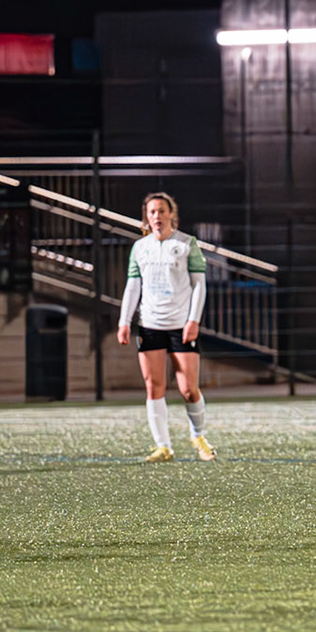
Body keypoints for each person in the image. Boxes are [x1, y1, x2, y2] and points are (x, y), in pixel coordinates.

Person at [116, 192, 214, 462]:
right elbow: (133, 286)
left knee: (188, 388)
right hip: (149, 325)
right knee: (153, 387)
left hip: (180, 326)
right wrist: (125, 321)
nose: (157, 216)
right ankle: (164, 446)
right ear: (146, 217)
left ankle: (199, 436)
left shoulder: (186, 244)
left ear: (171, 213)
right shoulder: (140, 248)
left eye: (161, 211)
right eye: (152, 212)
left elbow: (199, 285)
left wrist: (193, 320)